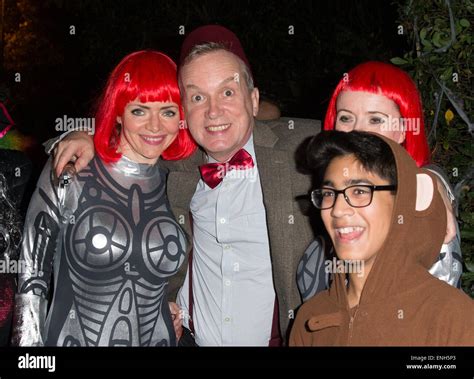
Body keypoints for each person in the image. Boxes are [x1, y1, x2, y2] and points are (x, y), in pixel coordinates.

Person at [43, 28, 317, 346]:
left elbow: (370, 138)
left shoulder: (303, 150)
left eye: (227, 92)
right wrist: (81, 136)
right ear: (183, 110)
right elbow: (125, 134)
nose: (213, 111)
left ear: (253, 100)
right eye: (197, 97)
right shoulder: (177, 160)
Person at [12, 50, 196, 346]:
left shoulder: (176, 182)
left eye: (168, 111)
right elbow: (31, 272)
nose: (155, 126)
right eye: (140, 110)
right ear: (119, 112)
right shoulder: (73, 167)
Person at [297, 61, 462, 302]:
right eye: (345, 118)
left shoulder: (423, 202)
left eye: (375, 120)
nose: (357, 132)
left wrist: (433, 180)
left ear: (404, 129)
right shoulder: (326, 198)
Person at [290, 131, 474, 346]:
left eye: (359, 191)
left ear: (401, 202)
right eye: (329, 193)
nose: (337, 210)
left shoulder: (453, 317)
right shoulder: (311, 317)